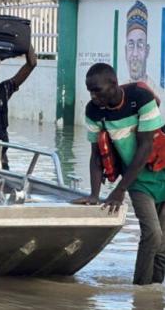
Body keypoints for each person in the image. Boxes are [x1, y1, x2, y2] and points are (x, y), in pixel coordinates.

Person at [73, 63, 165, 285]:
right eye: (90, 91)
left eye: (98, 90)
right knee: (152, 233)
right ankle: (140, 288)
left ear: (113, 84)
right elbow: (96, 156)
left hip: (160, 172)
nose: (93, 96)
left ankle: (149, 299)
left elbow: (145, 147)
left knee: (163, 245)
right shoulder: (93, 111)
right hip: (137, 181)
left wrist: (119, 190)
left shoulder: (141, 98)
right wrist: (95, 194)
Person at [124, 1, 164, 101]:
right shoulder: (120, 92)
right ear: (125, 51)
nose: (135, 54)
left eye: (140, 45)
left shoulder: (159, 96)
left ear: (147, 51)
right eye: (131, 45)